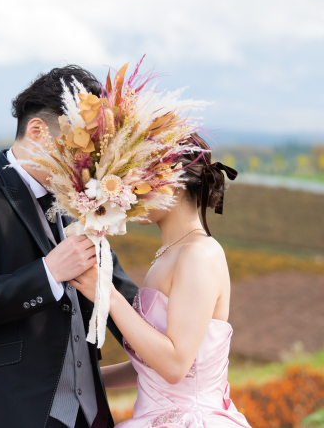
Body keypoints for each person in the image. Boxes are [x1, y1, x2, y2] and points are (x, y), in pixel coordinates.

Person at [0, 65, 139, 428]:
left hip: (91, 417)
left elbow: (119, 295)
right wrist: (48, 274)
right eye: (81, 146)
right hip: (12, 412)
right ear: (38, 131)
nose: (87, 161)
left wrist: (182, 326)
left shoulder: (81, 203)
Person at [70, 134, 251, 427]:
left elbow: (176, 365)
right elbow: (153, 365)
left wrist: (108, 295)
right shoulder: (169, 254)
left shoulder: (199, 255)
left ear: (173, 183)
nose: (129, 193)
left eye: (140, 180)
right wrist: (85, 379)